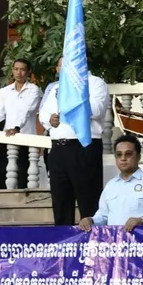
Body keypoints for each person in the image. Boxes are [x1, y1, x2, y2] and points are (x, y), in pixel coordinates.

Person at [38, 58, 113, 225]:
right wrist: (49, 120)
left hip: (83, 147)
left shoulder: (95, 83)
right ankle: (64, 239)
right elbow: (43, 113)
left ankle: (92, 239)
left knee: (89, 200)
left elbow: (96, 109)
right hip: (58, 148)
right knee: (61, 201)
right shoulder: (57, 87)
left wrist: (72, 99)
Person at [79, 135, 143, 232]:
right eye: (119, 154)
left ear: (138, 157)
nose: (123, 158)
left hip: (141, 240)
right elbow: (103, 215)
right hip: (114, 240)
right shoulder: (111, 185)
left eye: (128, 154)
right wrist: (91, 220)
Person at [0, 57, 42, 181]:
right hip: (7, 136)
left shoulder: (33, 90)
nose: (19, 72)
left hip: (26, 137)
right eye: (16, 69)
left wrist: (17, 128)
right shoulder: (6, 91)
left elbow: (27, 111)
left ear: (28, 72)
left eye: (22, 70)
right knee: (3, 172)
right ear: (12, 70)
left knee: (23, 174)